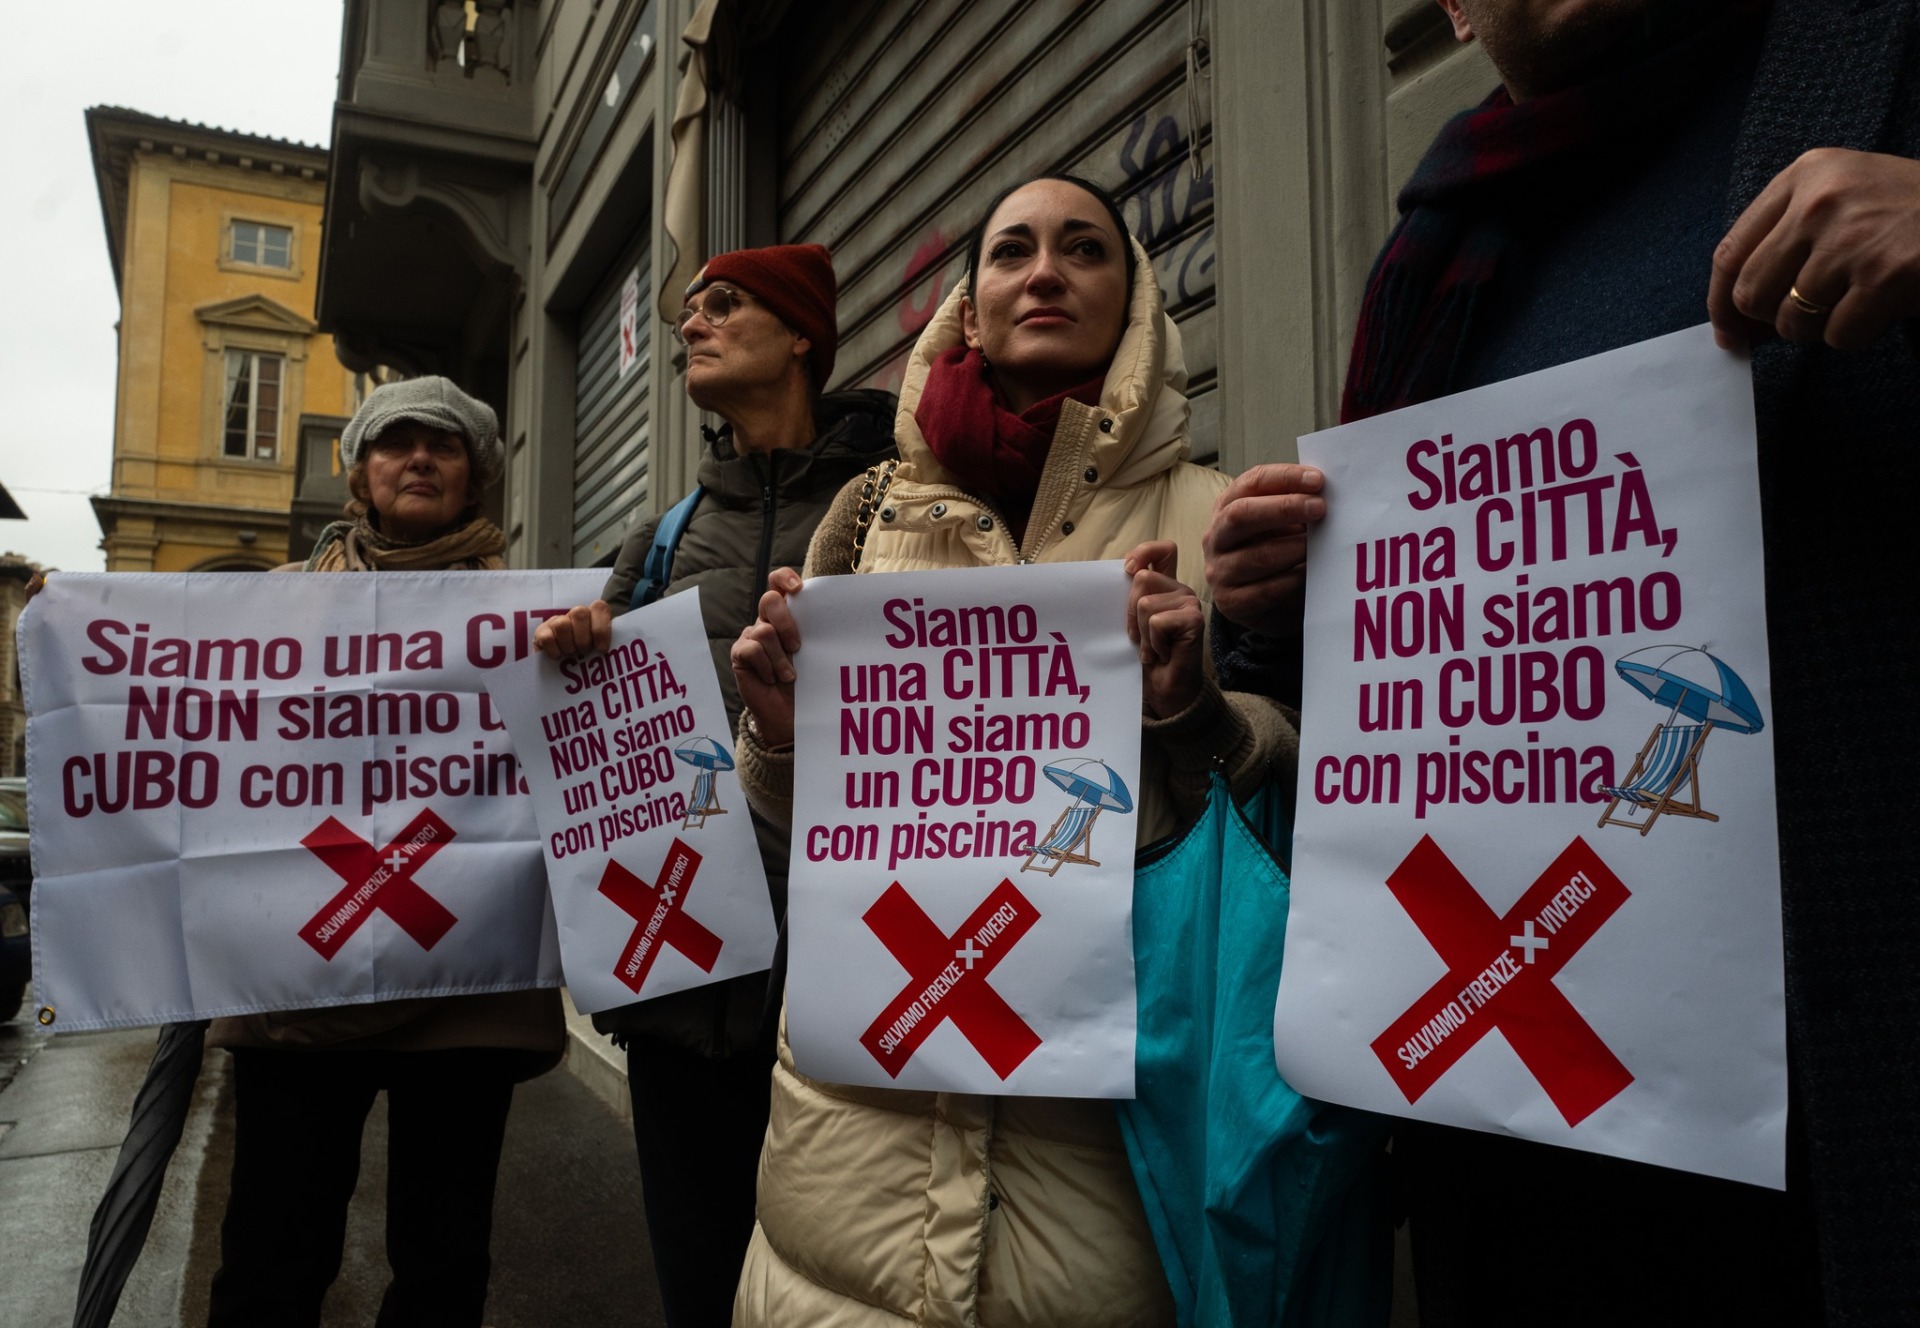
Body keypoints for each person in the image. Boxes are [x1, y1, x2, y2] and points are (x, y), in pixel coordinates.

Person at [1203, 2, 1920, 1322]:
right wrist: (1279, 609)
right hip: (1526, 1142)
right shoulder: (1442, 243)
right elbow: (1395, 709)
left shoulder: (1880, 62)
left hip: (1850, 1115)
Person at [725, 174, 1293, 1326]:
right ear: (969, 307)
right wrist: (778, 734)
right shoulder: (864, 517)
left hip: (1102, 1161)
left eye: (1083, 248)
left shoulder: (1218, 516)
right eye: (1012, 250)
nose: (1045, 272)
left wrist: (1194, 713)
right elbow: (797, 817)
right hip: (849, 1152)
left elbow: (1287, 805)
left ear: (1134, 298)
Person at [531, 243, 897, 1328]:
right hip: (683, 998)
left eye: (725, 304)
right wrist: (574, 645)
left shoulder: (899, 505)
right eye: (689, 309)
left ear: (802, 336)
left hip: (849, 989)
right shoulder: (663, 538)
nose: (693, 323)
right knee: (700, 1291)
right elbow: (588, 724)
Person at [206, 377, 566, 1328]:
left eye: (443, 446)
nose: (418, 459)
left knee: (443, 1266)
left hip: (467, 989)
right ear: (360, 473)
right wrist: (75, 627)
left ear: (475, 477)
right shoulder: (267, 610)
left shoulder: (535, 618)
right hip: (300, 984)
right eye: (395, 443)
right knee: (271, 1258)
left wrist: (592, 649)